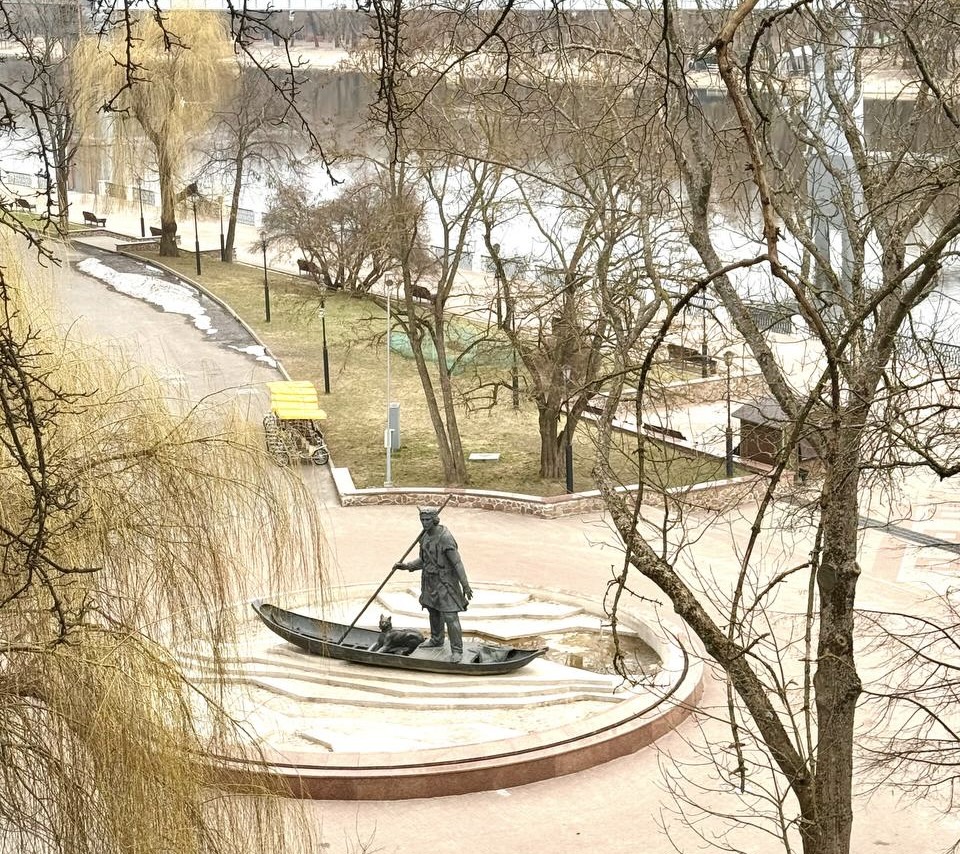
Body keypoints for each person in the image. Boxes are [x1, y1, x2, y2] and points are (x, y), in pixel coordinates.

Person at [394, 507, 473, 662]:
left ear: (435, 519)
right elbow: (424, 560)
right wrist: (407, 566)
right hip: (429, 581)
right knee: (433, 610)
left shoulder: (445, 537)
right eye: (422, 520)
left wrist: (465, 585)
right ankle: (437, 639)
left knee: (450, 616)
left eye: (427, 520)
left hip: (445, 582)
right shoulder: (423, 536)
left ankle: (457, 650)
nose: (424, 523)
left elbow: (457, 563)